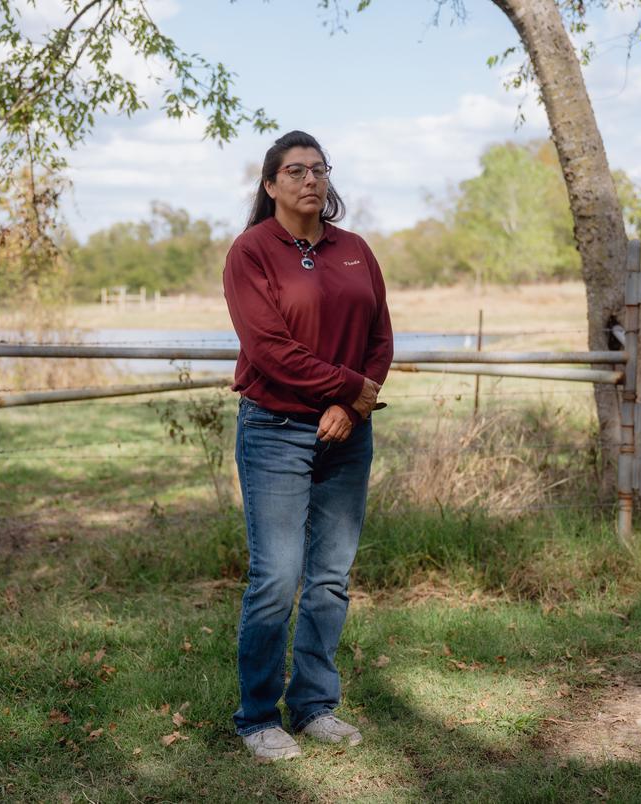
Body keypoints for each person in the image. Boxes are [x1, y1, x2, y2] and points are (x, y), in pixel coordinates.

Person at [222, 130, 393, 762]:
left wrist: (352, 407)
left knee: (330, 576)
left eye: (318, 170)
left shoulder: (355, 250)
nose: (309, 181)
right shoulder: (251, 252)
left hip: (348, 432)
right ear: (270, 185)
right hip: (274, 428)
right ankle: (258, 716)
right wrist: (354, 391)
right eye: (294, 171)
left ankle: (315, 705)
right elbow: (269, 349)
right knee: (277, 576)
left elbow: (380, 334)